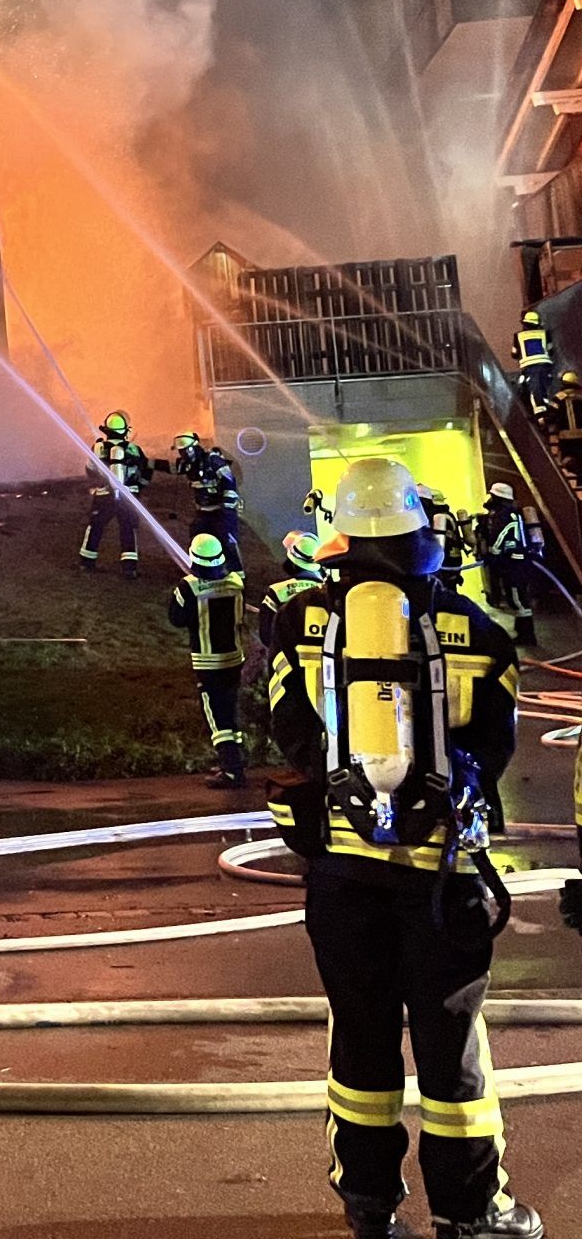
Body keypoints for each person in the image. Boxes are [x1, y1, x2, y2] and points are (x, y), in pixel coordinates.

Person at [268, 456, 537, 1239]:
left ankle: (367, 1201)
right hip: (440, 874)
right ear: (423, 531)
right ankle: (471, 1208)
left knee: (359, 1034)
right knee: (451, 1048)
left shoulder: (299, 621)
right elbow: (494, 749)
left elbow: (290, 730)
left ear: (341, 531)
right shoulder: (475, 630)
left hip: (343, 876)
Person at [169, 534, 248, 788]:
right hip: (235, 658)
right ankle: (236, 761)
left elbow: (176, 618)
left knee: (217, 716)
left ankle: (232, 771)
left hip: (208, 661)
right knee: (231, 710)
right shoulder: (235, 581)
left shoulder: (188, 586)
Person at [78, 409, 152, 578]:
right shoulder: (134, 449)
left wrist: (99, 483)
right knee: (128, 528)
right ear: (126, 430)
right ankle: (129, 568)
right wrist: (139, 487)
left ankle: (86, 562)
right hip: (128, 497)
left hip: (103, 495)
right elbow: (146, 470)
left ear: (106, 429)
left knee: (95, 526)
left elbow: (89, 470)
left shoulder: (97, 447)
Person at [474, 483, 540, 649]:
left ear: (497, 497)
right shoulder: (504, 512)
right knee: (515, 595)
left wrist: (493, 552)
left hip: (514, 561)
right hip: (511, 560)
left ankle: (527, 634)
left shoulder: (505, 514)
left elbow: (503, 534)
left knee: (517, 596)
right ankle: (521, 629)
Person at [172, 432, 244, 573]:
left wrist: (227, 509)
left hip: (221, 511)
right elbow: (171, 468)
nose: (182, 454)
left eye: (184, 450)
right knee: (199, 541)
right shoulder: (188, 465)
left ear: (193, 448)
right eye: (180, 451)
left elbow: (229, 482)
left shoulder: (213, 461)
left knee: (228, 542)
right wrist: (146, 462)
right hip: (203, 512)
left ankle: (237, 575)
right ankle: (202, 573)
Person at [256, 528, 325, 656]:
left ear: (292, 562)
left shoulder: (277, 591)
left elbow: (266, 635)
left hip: (285, 665)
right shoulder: (327, 592)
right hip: (321, 664)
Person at [514, 308, 555, 419]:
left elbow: (514, 353)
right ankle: (547, 410)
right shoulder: (545, 333)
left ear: (525, 323)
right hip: (546, 366)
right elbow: (551, 350)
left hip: (530, 367)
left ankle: (540, 415)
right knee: (543, 388)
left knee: (534, 389)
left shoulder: (518, 336)